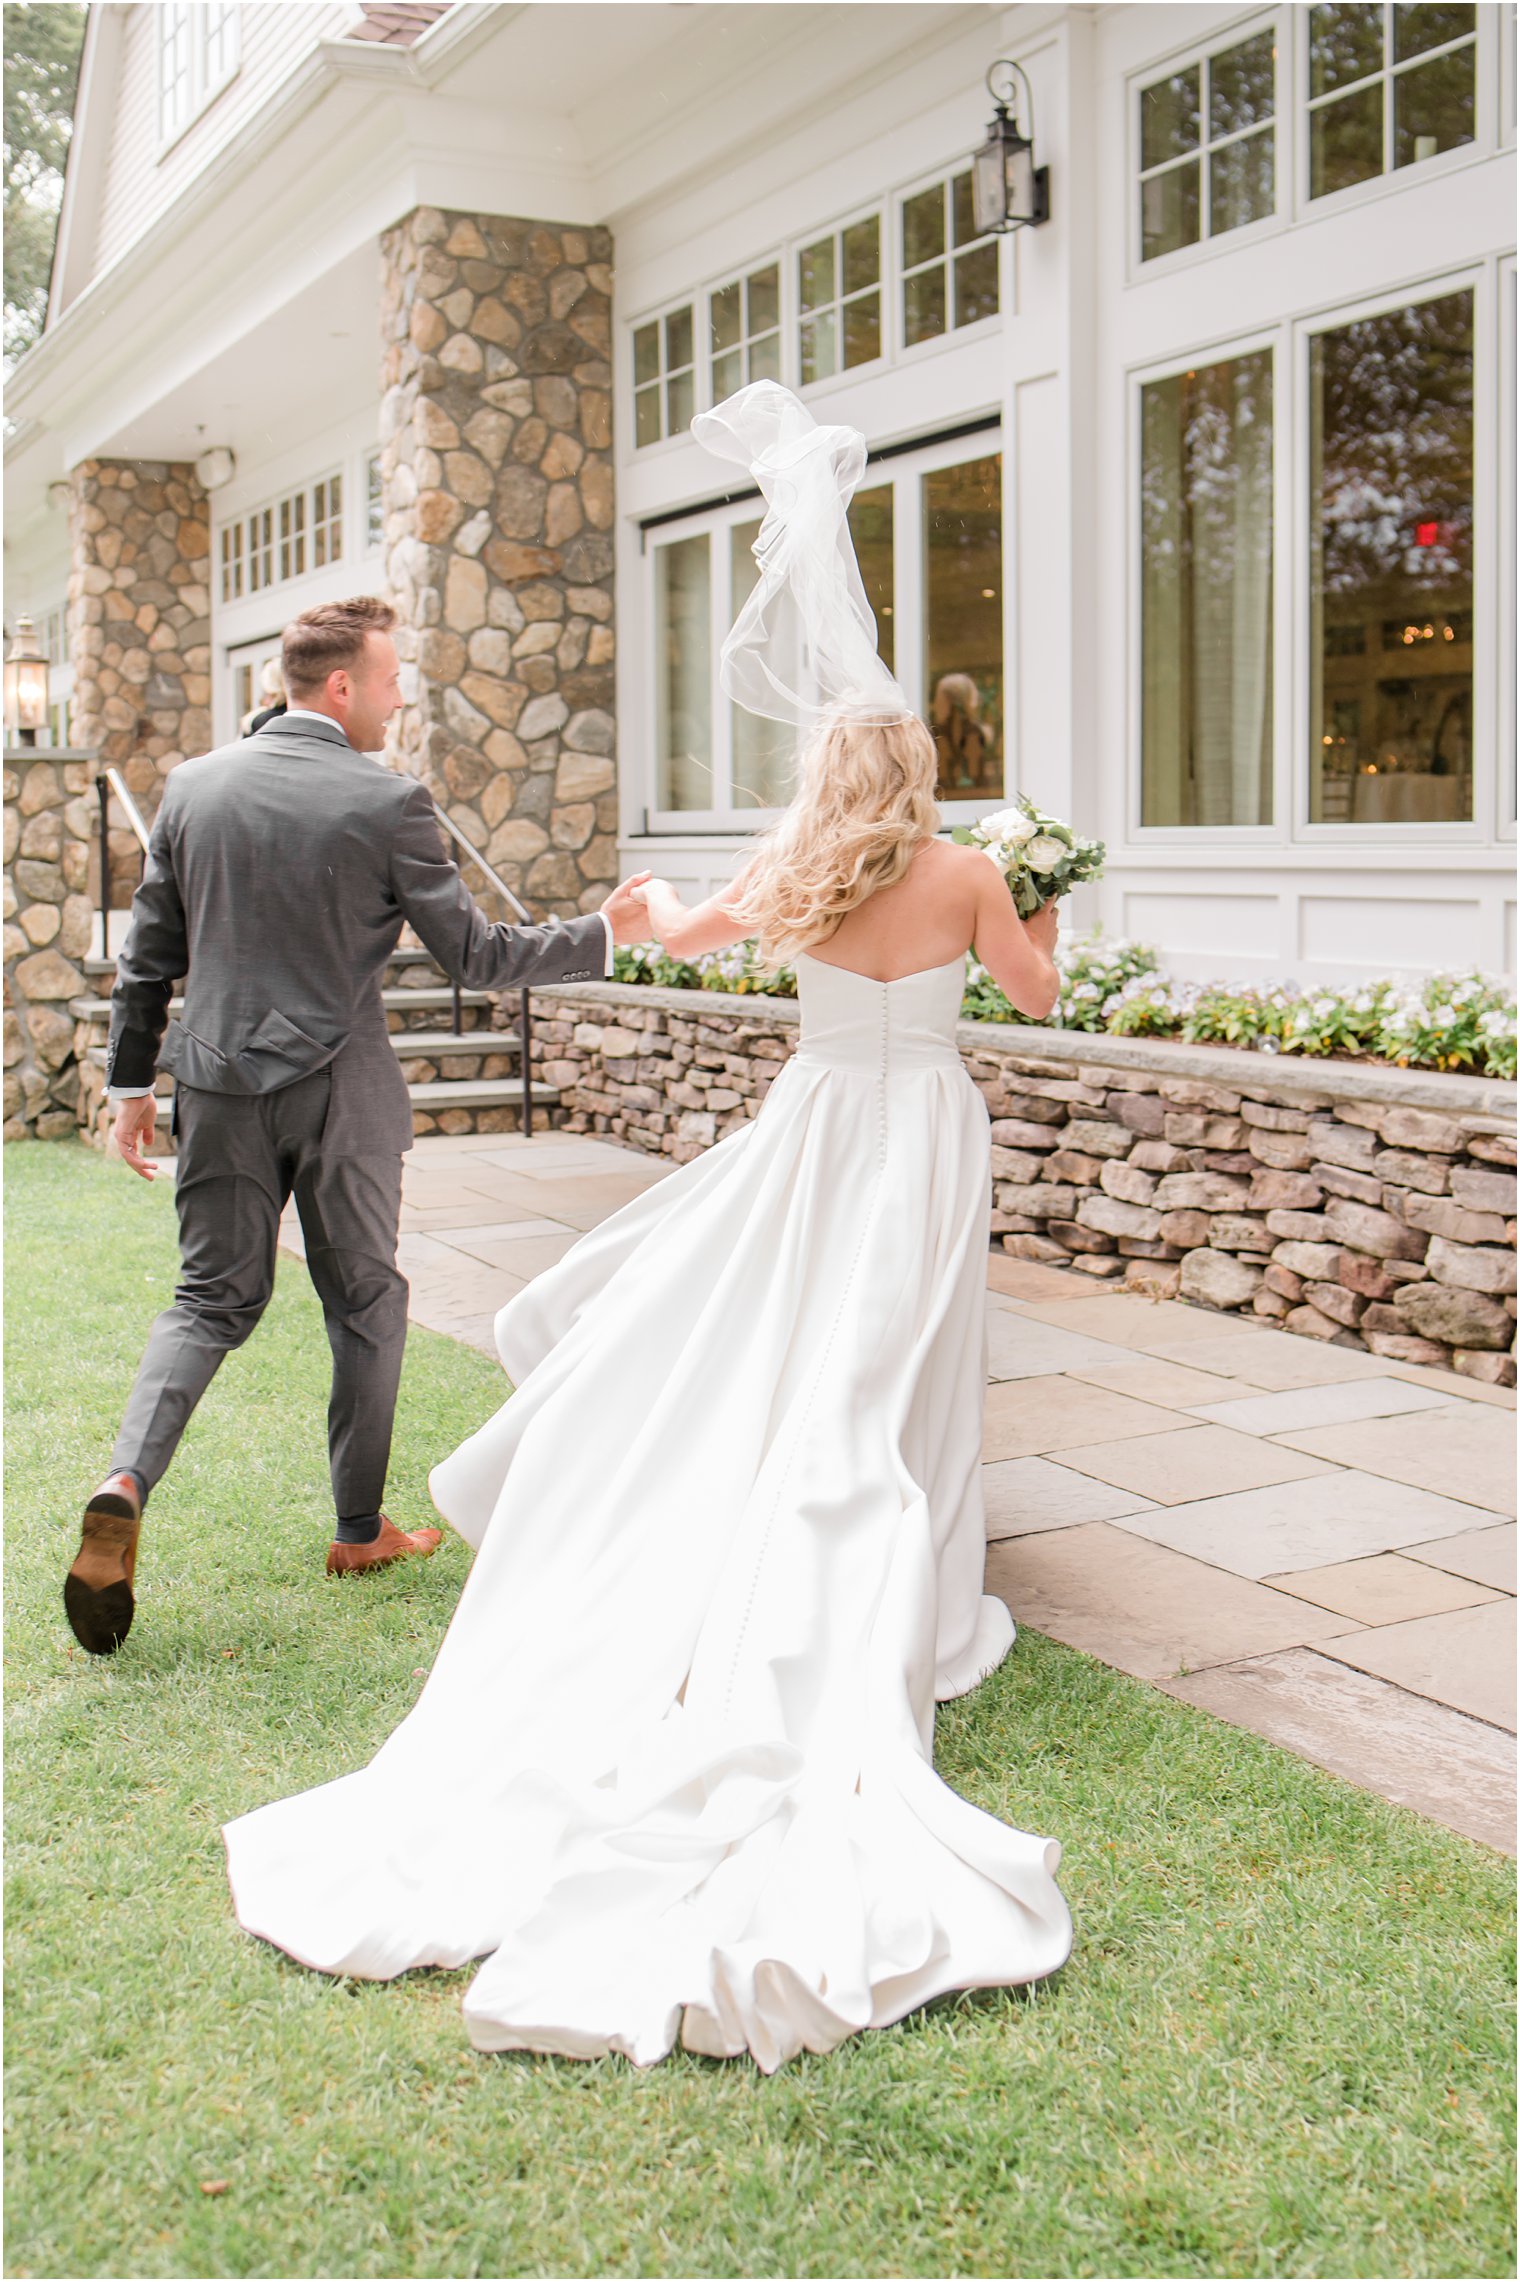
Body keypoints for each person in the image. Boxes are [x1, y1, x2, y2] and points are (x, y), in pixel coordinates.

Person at [223, 387, 1075, 2073]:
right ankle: (920, 1563)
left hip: (820, 1127)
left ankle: (800, 1512)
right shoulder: (972, 874)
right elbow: (1039, 998)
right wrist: (1051, 897)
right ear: (924, 769)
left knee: (798, 1335)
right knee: (901, 1345)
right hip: (924, 1133)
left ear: (835, 772)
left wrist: (631, 914)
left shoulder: (802, 868)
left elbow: (674, 931)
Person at [65, 596, 653, 1656]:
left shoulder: (192, 789)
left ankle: (124, 1476)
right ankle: (356, 1528)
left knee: (207, 1299)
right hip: (340, 1094)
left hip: (214, 1083)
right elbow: (478, 957)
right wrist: (607, 929)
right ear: (339, 685)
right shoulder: (385, 801)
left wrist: (129, 1089)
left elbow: (148, 957)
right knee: (367, 1301)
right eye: (388, 680)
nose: (397, 699)